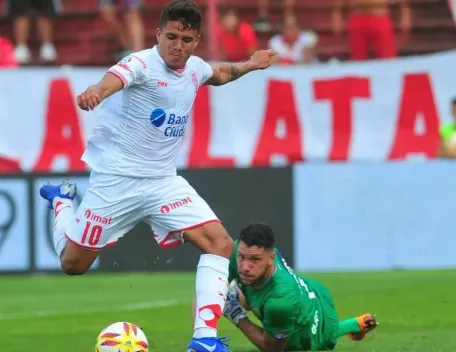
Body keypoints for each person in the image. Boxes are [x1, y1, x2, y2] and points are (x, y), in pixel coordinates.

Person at [38, 1, 277, 352]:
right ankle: (62, 201)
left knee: (221, 244)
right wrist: (96, 92)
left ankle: (204, 340)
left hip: (163, 182)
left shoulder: (194, 68)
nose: (177, 46)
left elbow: (221, 74)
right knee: (73, 265)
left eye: (186, 39)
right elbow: (113, 80)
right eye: (171, 37)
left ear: (196, 40)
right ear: (158, 34)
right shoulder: (141, 64)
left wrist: (251, 65)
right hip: (117, 182)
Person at [220, 223, 378, 351]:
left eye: (255, 259)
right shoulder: (242, 251)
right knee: (226, 293)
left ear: (271, 258)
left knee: (310, 339)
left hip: (314, 329)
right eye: (241, 257)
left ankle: (354, 325)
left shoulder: (281, 302)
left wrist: (236, 315)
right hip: (309, 291)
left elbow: (271, 349)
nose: (245, 267)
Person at [333, 0, 411, 61]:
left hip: (380, 18)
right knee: (357, 60)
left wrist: (405, 14)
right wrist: (336, 15)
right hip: (358, 19)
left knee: (387, 59)